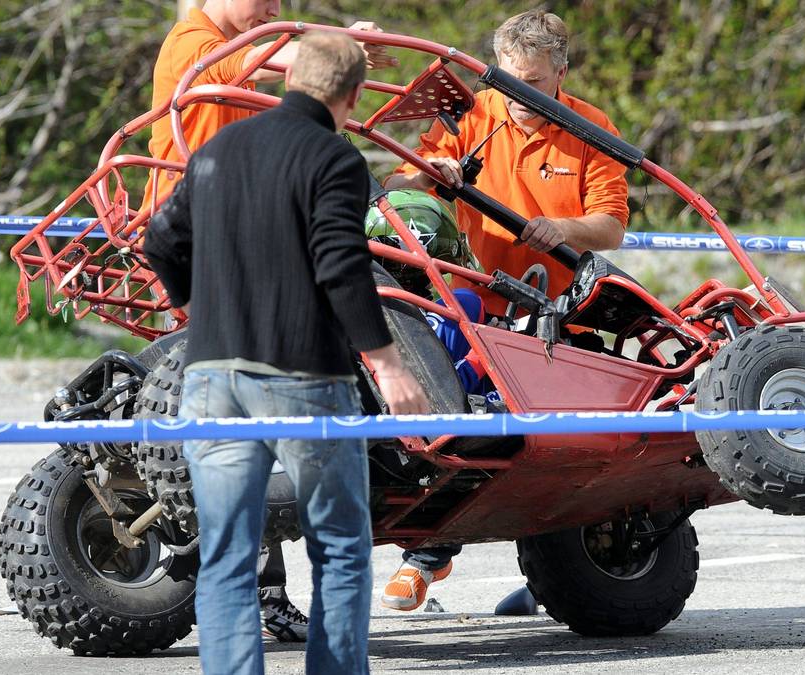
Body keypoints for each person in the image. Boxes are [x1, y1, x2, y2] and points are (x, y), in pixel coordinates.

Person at [144, 33, 430, 675]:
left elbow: (161, 241)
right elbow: (340, 262)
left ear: (287, 78)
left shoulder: (217, 150)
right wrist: (386, 363)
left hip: (211, 375)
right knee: (339, 547)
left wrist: (200, 307)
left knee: (226, 551)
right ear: (353, 95)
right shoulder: (335, 159)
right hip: (304, 374)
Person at [379, 9, 630, 611]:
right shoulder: (472, 111)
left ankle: (558, 577)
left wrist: (564, 228)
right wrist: (432, 172)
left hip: (554, 312)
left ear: (561, 73)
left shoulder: (592, 127)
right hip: (469, 301)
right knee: (450, 429)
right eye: (509, 83)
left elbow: (613, 224)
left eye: (534, 86)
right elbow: (402, 183)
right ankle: (425, 557)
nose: (519, 99)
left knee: (560, 451)